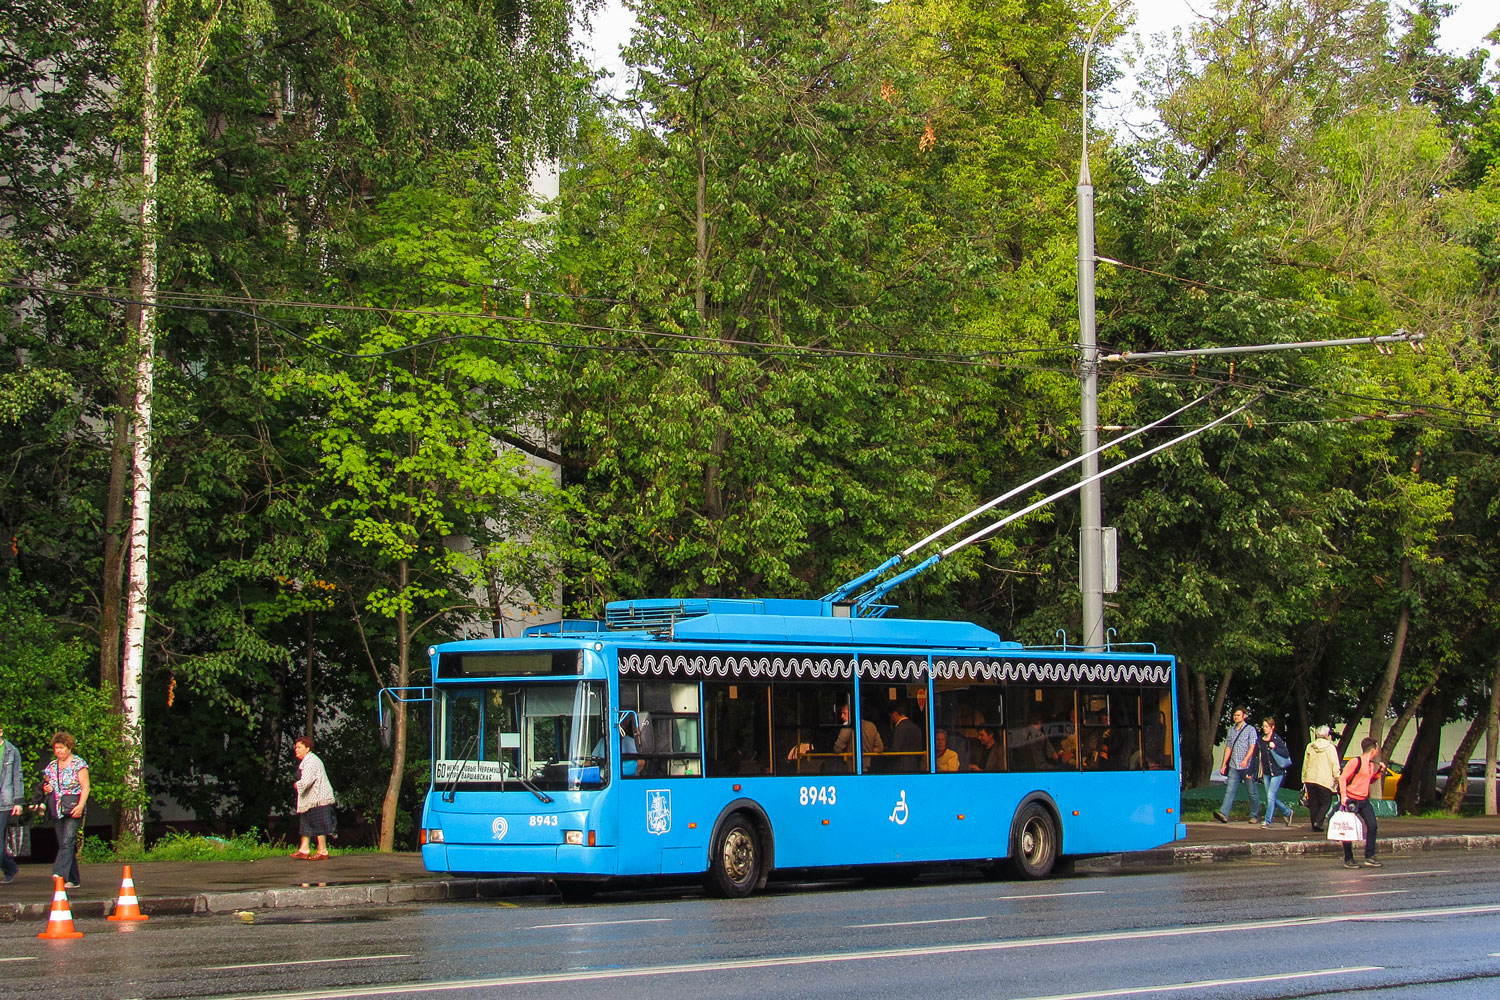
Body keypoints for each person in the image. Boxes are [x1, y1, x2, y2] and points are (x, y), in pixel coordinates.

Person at [41, 732, 88, 888]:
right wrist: (47, 788)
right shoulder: (52, 766)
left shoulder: (78, 764)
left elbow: (85, 787)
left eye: (61, 748)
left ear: (69, 747)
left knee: (67, 841)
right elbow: (47, 785)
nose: (58, 751)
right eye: (56, 748)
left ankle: (60, 873)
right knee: (64, 843)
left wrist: (81, 806)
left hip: (74, 806)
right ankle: (74, 879)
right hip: (57, 808)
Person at [1339, 737, 1385, 869]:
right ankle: (1349, 858)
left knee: (1372, 825)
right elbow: (1342, 778)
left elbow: (1369, 780)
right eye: (1376, 748)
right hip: (1352, 799)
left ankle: (1369, 856)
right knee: (1347, 829)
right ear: (1373, 749)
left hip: (1364, 800)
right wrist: (1344, 797)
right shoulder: (1355, 762)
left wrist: (1380, 771)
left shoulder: (1370, 764)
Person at [291, 736, 336, 860]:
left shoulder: (311, 761)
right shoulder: (306, 761)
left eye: (299, 747)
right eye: (296, 747)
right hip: (310, 800)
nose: (296, 750)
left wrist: (297, 785)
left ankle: (322, 851)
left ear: (307, 748)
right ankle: (304, 849)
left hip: (319, 798)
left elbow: (307, 781)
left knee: (319, 823)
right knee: (306, 823)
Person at [1213, 707, 1261, 824]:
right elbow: (1228, 747)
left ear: (1244, 716)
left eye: (1238, 715)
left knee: (1252, 792)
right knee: (1229, 791)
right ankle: (1224, 814)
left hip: (1247, 766)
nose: (1236, 717)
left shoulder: (1250, 730)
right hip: (1234, 765)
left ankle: (1254, 815)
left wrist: (1246, 760)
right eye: (1235, 715)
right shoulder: (1231, 730)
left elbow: (1252, 747)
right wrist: (1224, 763)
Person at [1256, 716, 1295, 828]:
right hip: (1267, 773)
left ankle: (1267, 821)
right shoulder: (1260, 740)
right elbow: (1258, 756)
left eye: (1267, 726)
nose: (1265, 728)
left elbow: (1286, 753)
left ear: (1272, 727)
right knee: (1270, 797)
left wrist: (1275, 748)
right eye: (1263, 726)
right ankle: (1287, 812)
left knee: (1271, 796)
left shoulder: (1276, 739)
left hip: (1277, 772)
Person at [1301, 725, 1341, 832]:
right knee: (1326, 802)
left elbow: (1305, 764)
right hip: (1324, 779)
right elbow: (1334, 764)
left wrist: (1303, 778)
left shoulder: (1310, 746)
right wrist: (1337, 777)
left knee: (1313, 803)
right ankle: (1318, 822)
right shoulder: (1330, 747)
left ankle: (1315, 825)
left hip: (1310, 778)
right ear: (1327, 735)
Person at [1, 724, 23, 884]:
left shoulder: (11, 751)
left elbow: (17, 776)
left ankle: (9, 867)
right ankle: (10, 867)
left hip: (4, 801)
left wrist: (18, 801)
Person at [832, 703, 882, 771]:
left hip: (851, 767)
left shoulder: (848, 726)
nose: (842, 716)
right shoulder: (871, 726)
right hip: (867, 766)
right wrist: (867, 753)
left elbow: (838, 748)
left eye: (844, 713)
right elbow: (879, 747)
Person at [888, 704, 925, 773]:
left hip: (900, 766)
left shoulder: (899, 728)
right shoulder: (916, 728)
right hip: (915, 765)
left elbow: (896, 749)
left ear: (895, 714)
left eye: (891, 716)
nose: (891, 719)